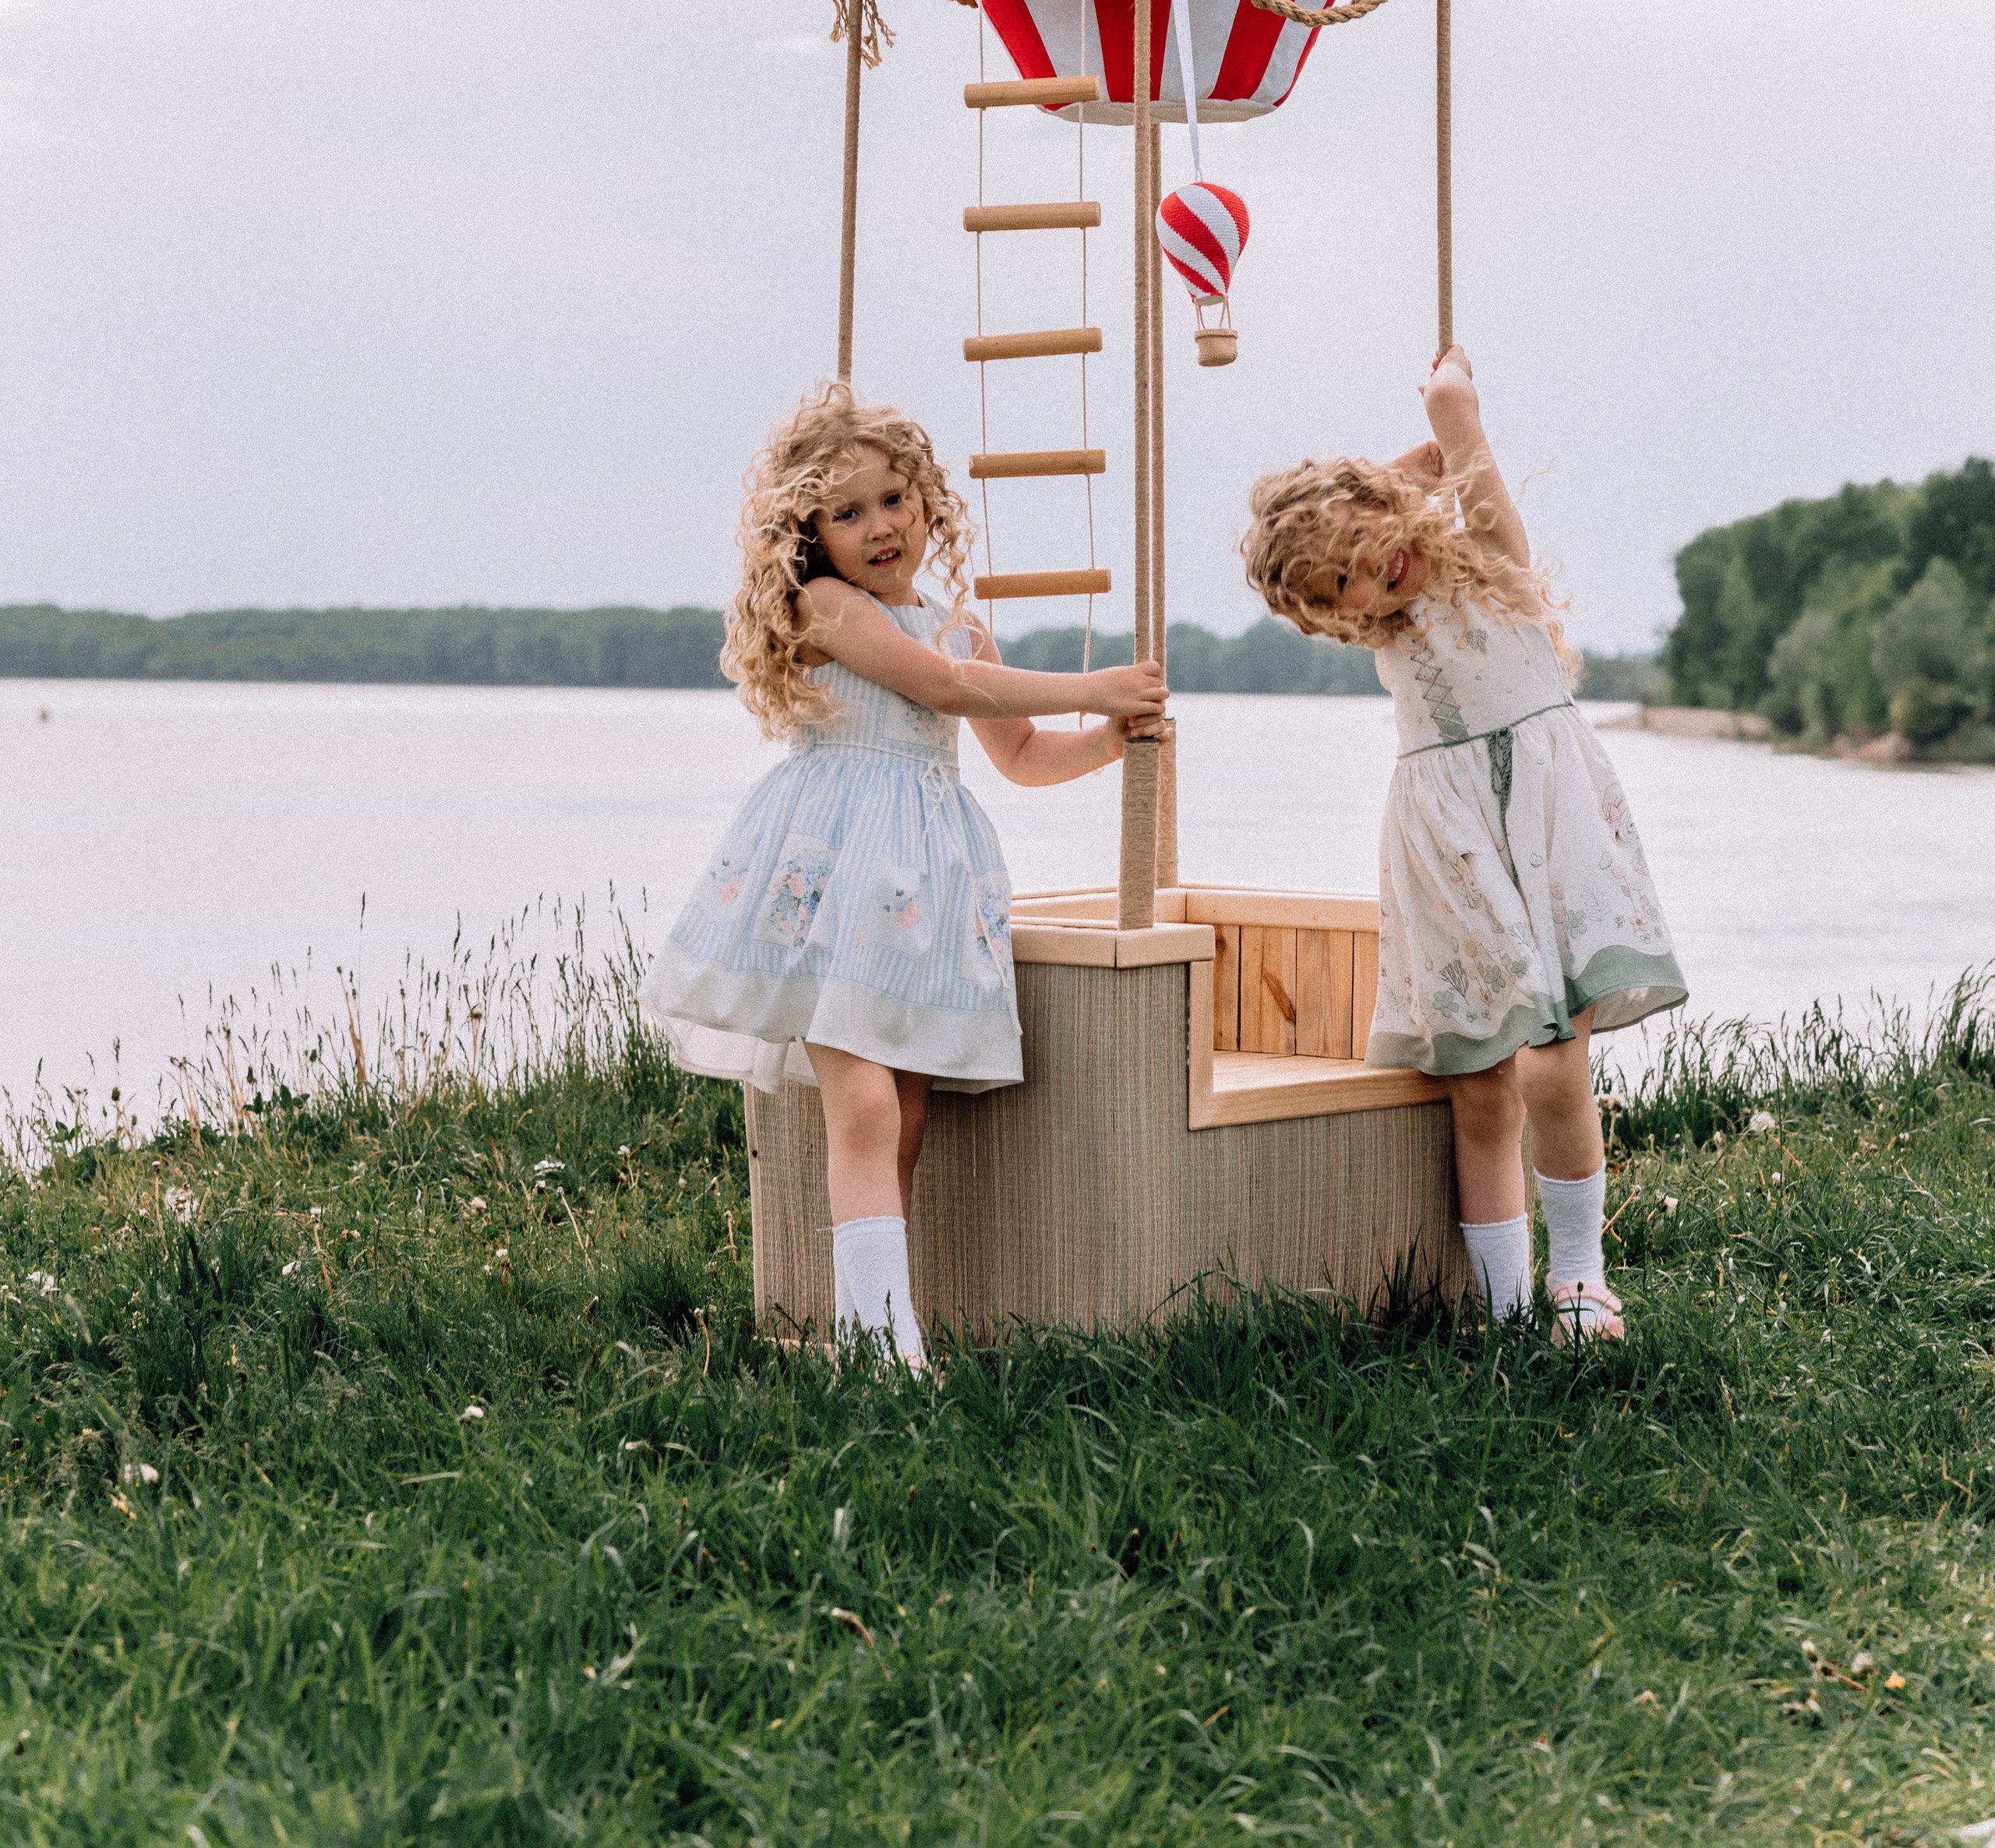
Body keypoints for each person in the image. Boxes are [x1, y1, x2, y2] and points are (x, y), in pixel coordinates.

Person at [643, 383, 1167, 1367]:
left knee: (907, 1110)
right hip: (836, 875)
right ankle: (887, 1350)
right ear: (814, 536)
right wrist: (1093, 678)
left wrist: (1106, 735)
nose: (878, 526)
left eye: (893, 499)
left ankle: (867, 1321)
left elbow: (1016, 754)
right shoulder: (827, 607)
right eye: (845, 513)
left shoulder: (958, 622)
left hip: (921, 886)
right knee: (868, 1101)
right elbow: (940, 687)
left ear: (928, 502)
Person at [1240, 347, 1685, 1340]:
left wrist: (1453, 415)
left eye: (1368, 543)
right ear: (1334, 612)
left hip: (1541, 815)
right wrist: (1384, 492)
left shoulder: (1487, 565)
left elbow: (1451, 474)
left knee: (1552, 1059)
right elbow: (1397, 499)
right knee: (1478, 1082)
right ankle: (1502, 1305)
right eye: (1346, 580)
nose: (1375, 572)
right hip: (1449, 842)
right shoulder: (1385, 630)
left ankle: (1579, 1275)